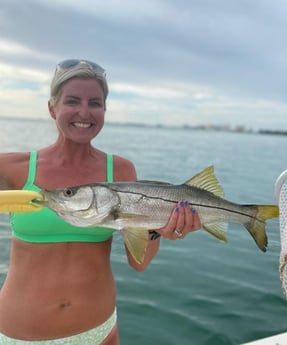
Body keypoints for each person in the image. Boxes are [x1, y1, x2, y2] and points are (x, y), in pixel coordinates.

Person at [0, 59, 201, 344]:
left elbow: (140, 263)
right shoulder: (12, 167)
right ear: (51, 107)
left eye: (95, 103)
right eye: (72, 101)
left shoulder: (120, 171)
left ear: (104, 110)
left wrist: (158, 229)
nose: (84, 112)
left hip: (98, 332)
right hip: (20, 334)